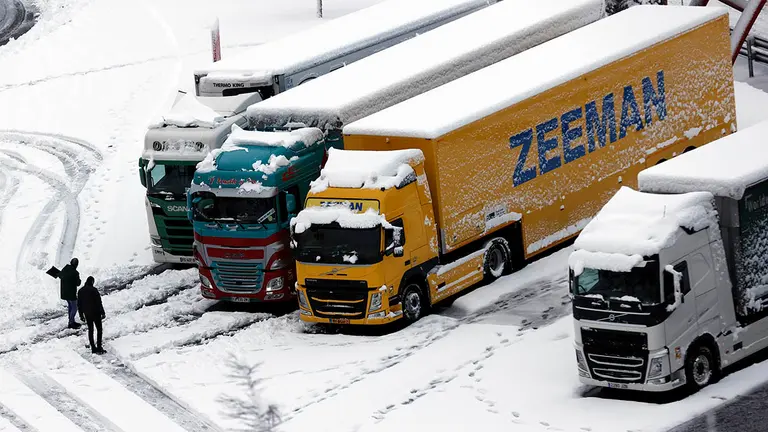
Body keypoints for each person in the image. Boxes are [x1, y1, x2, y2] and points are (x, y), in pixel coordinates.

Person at [77, 276, 106, 354]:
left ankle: (93, 347)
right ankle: (99, 347)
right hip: (96, 312)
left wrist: (81, 315)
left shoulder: (80, 291)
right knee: (99, 330)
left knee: (91, 330)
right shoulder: (94, 290)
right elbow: (99, 302)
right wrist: (102, 312)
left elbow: (79, 304)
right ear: (92, 282)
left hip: (87, 313)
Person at [57, 258, 82, 329]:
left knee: (70, 306)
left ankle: (71, 321)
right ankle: (71, 323)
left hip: (64, 292)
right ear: (76, 265)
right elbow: (78, 283)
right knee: (74, 307)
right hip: (71, 293)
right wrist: (79, 280)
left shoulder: (65, 268)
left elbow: (60, 275)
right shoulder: (75, 273)